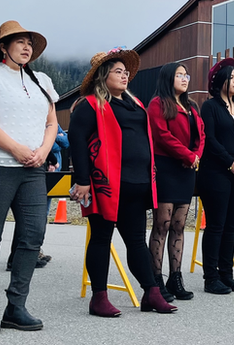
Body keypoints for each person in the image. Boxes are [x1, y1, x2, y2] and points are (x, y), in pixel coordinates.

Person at [0, 21, 60, 334]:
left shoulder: (41, 80)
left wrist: (44, 150)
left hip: (32, 168)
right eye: (19, 41)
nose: (26, 47)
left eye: (29, 42)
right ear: (4, 47)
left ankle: (16, 306)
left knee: (33, 235)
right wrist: (16, 148)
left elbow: (51, 123)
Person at [68, 48, 176, 317]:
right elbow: (77, 143)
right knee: (101, 239)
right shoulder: (90, 105)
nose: (125, 75)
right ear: (104, 76)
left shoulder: (136, 104)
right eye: (119, 71)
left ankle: (151, 292)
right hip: (106, 184)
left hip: (137, 184)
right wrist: (81, 181)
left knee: (137, 242)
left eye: (126, 72)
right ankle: (99, 298)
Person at [147, 62, 204, 301]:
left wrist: (196, 156)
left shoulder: (191, 106)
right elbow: (162, 135)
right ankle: (155, 279)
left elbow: (201, 135)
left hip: (187, 169)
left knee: (179, 225)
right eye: (179, 74)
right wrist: (188, 155)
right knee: (163, 224)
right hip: (166, 168)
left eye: (186, 74)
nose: (184, 78)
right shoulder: (158, 103)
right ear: (168, 77)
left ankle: (176, 277)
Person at [197, 58, 234, 295]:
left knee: (232, 225)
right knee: (216, 225)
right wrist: (230, 162)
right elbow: (209, 139)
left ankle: (226, 274)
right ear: (219, 81)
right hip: (216, 172)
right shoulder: (210, 107)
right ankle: (211, 277)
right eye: (231, 78)